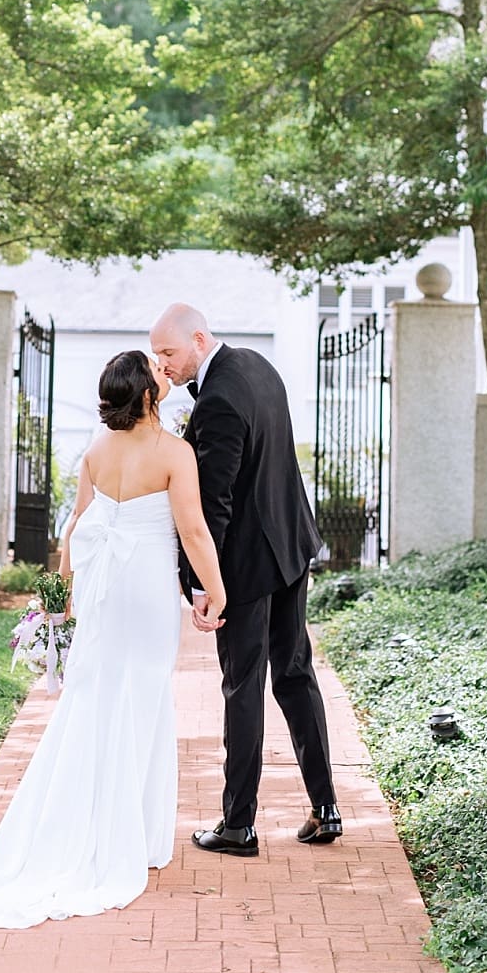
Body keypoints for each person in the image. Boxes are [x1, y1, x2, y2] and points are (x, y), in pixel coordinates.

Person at [0, 349, 226, 929]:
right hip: (145, 594)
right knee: (140, 701)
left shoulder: (95, 449)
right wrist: (215, 590)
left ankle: (94, 828)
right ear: (146, 396)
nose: (167, 379)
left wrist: (58, 597)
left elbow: (74, 528)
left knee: (94, 700)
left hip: (101, 593)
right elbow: (192, 529)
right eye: (159, 375)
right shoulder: (173, 452)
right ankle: (126, 838)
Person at [149, 302, 341, 856]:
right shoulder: (257, 365)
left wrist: (202, 584)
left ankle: (238, 824)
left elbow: (214, 506)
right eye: (157, 355)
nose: (163, 366)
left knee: (243, 685)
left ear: (199, 339)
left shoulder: (218, 402)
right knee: (296, 675)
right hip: (290, 548)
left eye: (169, 353)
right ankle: (326, 808)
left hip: (247, 568)